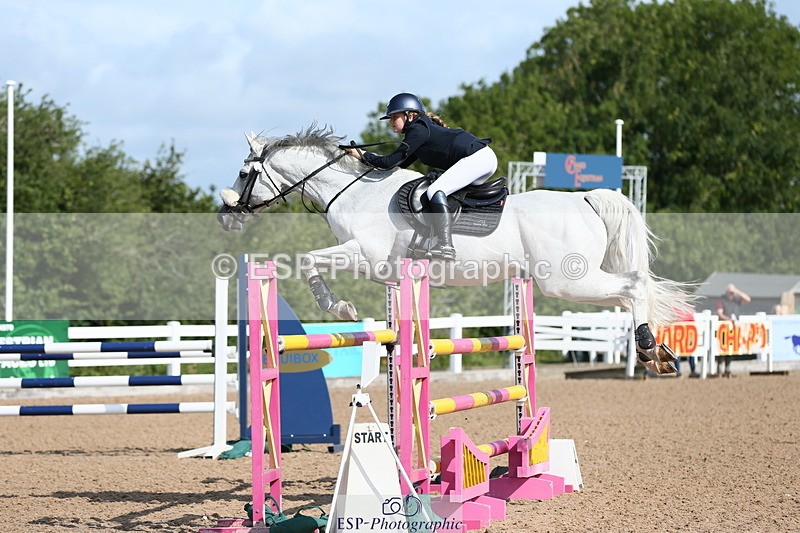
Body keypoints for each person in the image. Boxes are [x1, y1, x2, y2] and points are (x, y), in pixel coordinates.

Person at [345, 93, 497, 260]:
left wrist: (363, 155)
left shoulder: (418, 129)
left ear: (410, 115)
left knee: (435, 191)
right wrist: (366, 158)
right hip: (481, 159)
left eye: (394, 117)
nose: (391, 122)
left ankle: (446, 245)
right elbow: (399, 164)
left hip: (478, 158)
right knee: (447, 194)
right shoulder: (420, 132)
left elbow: (389, 162)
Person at [715, 284, 751, 376]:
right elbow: (720, 313)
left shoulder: (736, 299)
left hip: (733, 328)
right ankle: (719, 368)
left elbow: (748, 299)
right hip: (723, 328)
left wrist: (737, 292)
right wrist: (728, 319)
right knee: (722, 348)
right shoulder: (722, 300)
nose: (732, 294)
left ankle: (727, 369)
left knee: (731, 348)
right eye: (731, 292)